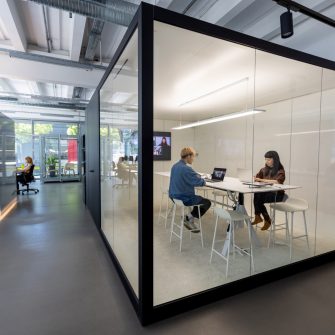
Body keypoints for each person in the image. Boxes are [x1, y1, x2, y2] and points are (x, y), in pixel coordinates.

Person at [169, 147, 211, 232]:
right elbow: (200, 182)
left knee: (199, 199)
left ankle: (189, 217)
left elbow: (191, 176)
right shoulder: (186, 168)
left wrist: (196, 176)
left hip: (173, 196)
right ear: (188, 156)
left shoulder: (175, 166)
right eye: (193, 157)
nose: (193, 159)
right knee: (206, 202)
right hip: (184, 198)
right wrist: (203, 180)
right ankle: (188, 218)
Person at [252, 150, 285, 231]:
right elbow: (257, 178)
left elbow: (278, 181)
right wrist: (255, 179)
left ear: (275, 159)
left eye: (269, 159)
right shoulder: (263, 170)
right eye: (266, 159)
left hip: (277, 194)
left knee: (258, 197)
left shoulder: (280, 170)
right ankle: (259, 217)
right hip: (266, 193)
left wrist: (262, 180)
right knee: (257, 194)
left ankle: (265, 219)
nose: (267, 161)